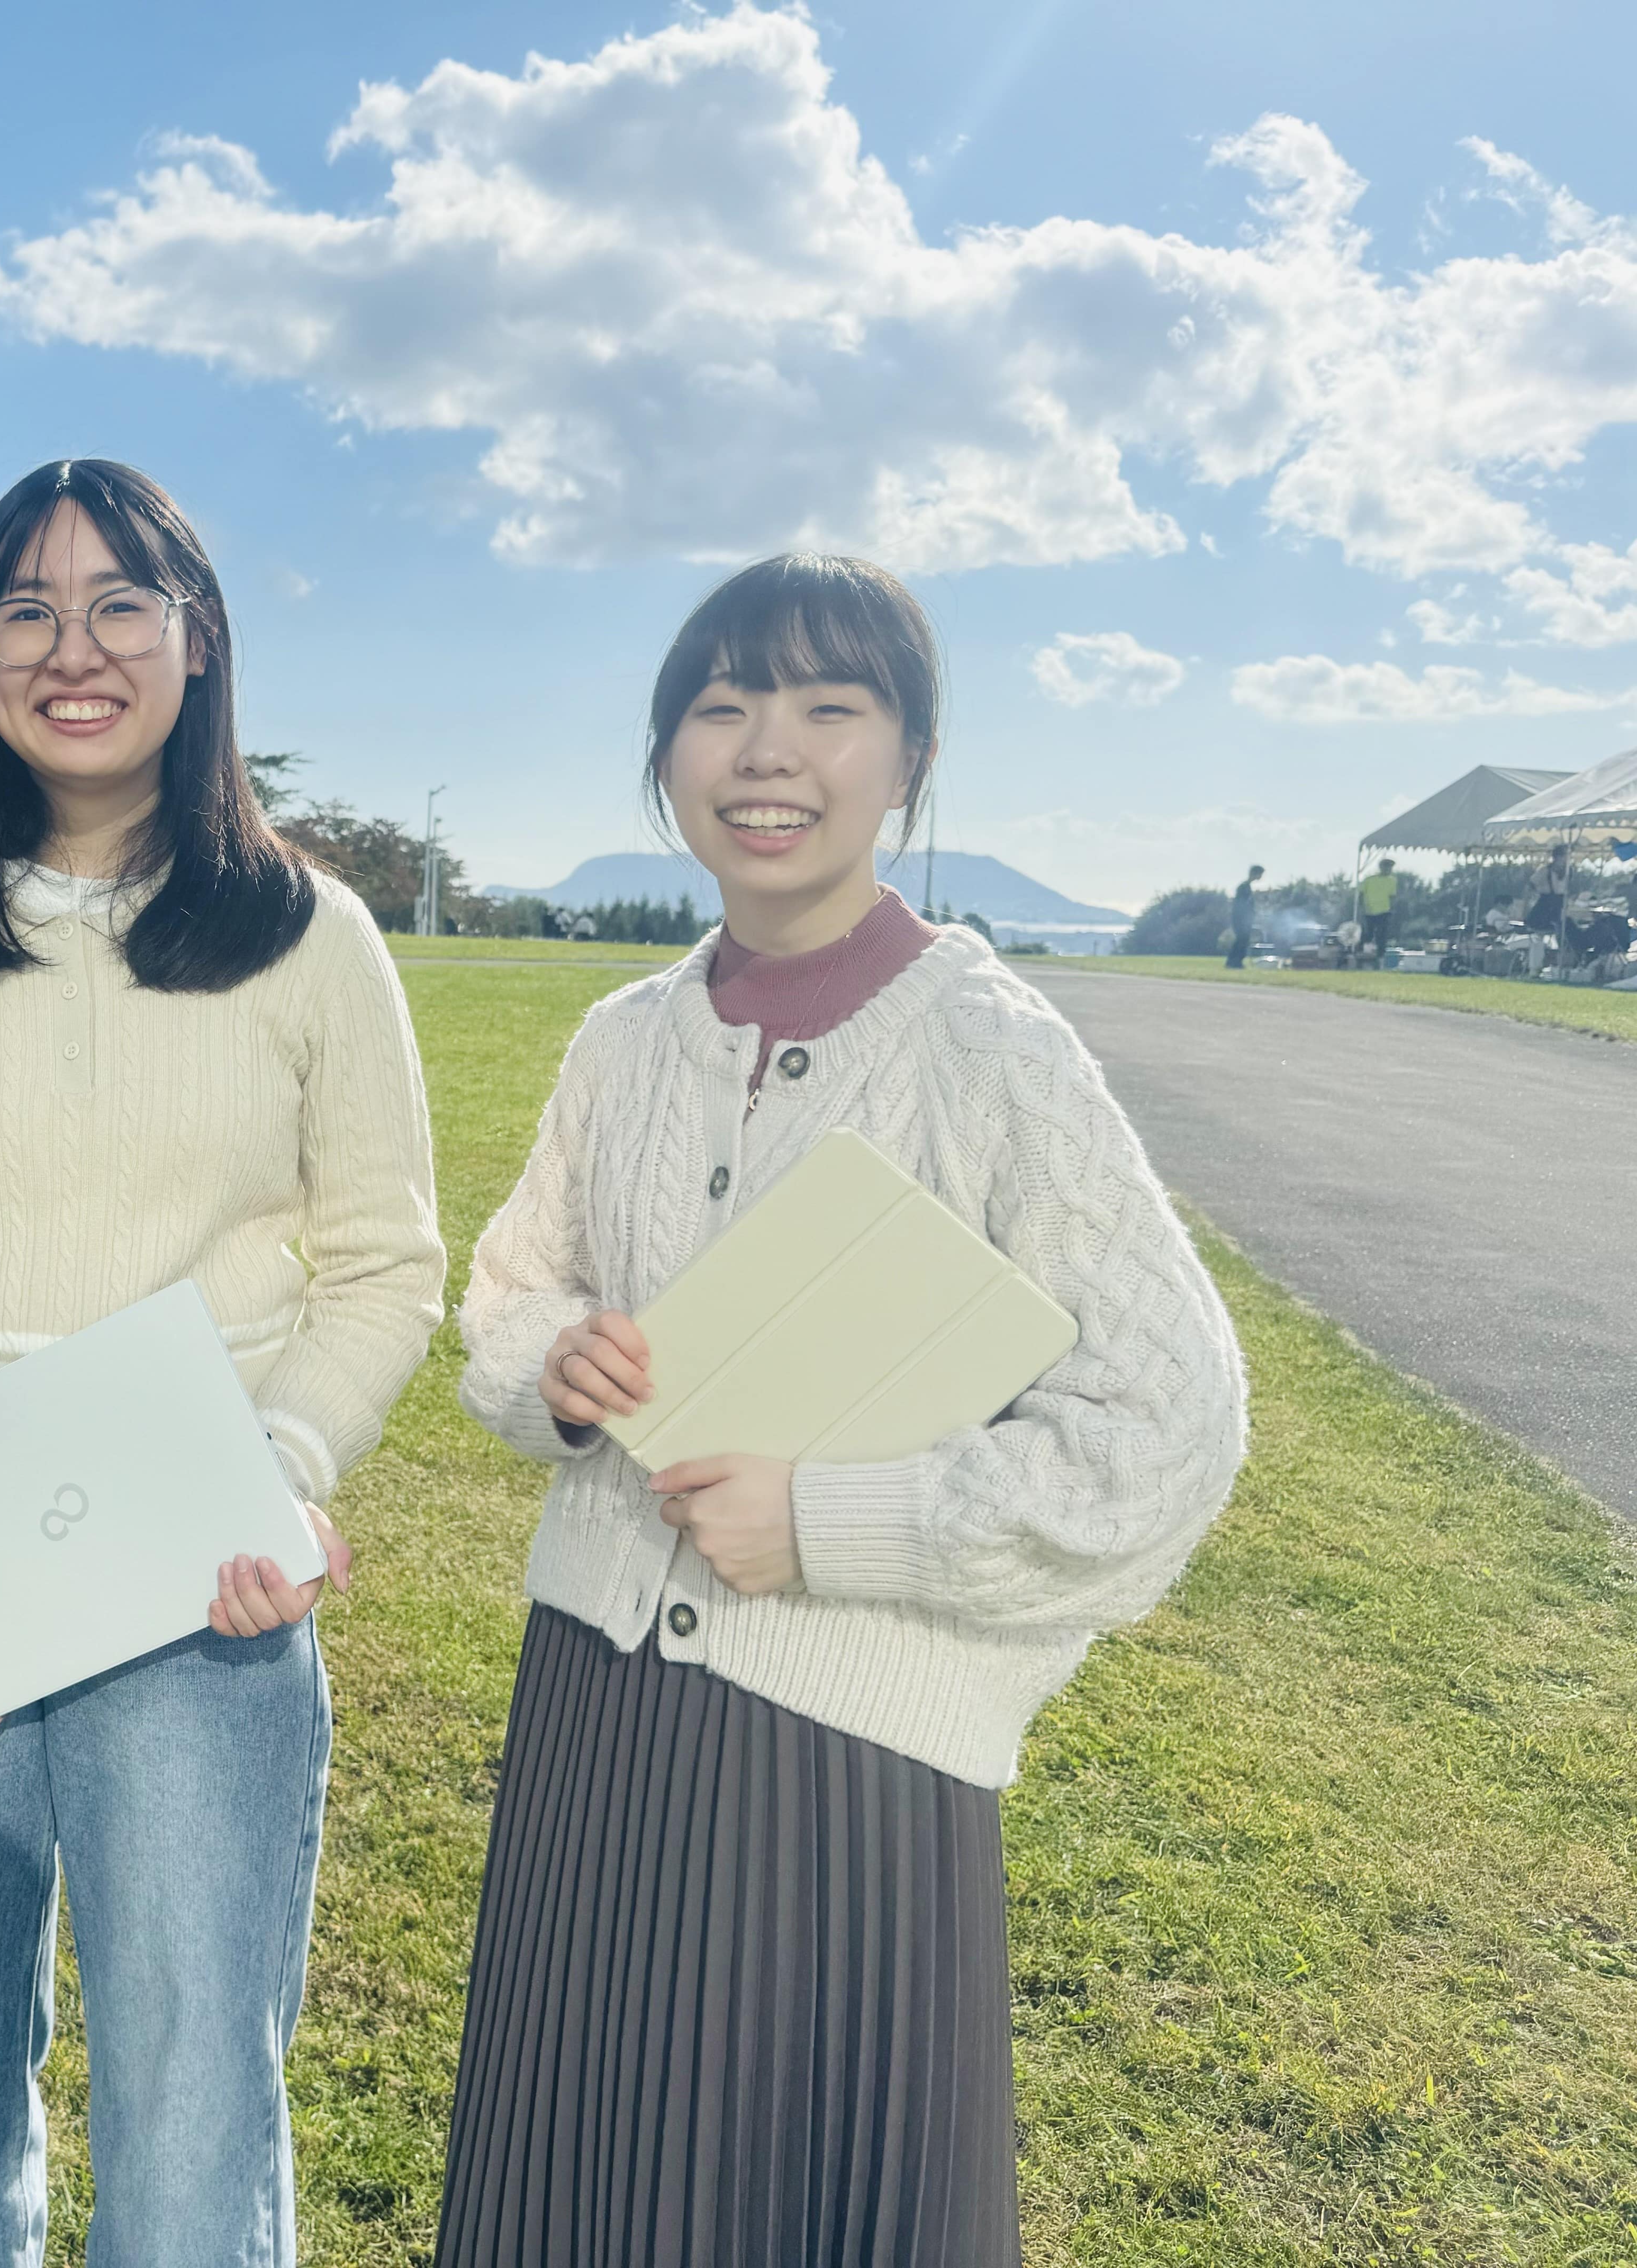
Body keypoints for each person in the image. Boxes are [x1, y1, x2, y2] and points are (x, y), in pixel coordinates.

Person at [438, 554, 1247, 2265]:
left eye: (827, 705)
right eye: (719, 707)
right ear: (667, 760)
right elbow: (508, 1293)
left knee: (802, 2202)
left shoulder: (992, 1050)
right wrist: (556, 1368)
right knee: (569, 2194)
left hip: (844, 1782)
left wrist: (828, 1520)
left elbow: (1170, 1429)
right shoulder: (621, 1040)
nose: (765, 750)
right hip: (594, 1718)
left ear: (911, 757)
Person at [0, 458, 444, 2264]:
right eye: (29, 609)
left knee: (198, 2083)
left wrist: (279, 1466)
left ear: (196, 643)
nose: (76, 648)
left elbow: (385, 1262)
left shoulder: (311, 936)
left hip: (190, 1525)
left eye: (122, 602)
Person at [1359, 858, 1404, 962]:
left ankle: (1380, 957)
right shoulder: (1369, 880)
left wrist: (1392, 909)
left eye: (1390, 868)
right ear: (1381, 868)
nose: (1389, 870)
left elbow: (1392, 896)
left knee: (1382, 935)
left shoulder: (1392, 881)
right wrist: (1362, 908)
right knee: (1368, 934)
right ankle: (1366, 955)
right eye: (1386, 867)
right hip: (1369, 911)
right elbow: (1361, 895)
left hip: (1384, 911)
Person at [1228, 860, 1264, 967]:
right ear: (1255, 873)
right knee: (1242, 940)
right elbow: (1241, 905)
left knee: (1243, 940)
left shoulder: (1247, 887)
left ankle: (1234, 962)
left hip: (1243, 920)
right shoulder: (1244, 887)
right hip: (1240, 920)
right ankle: (1235, 962)